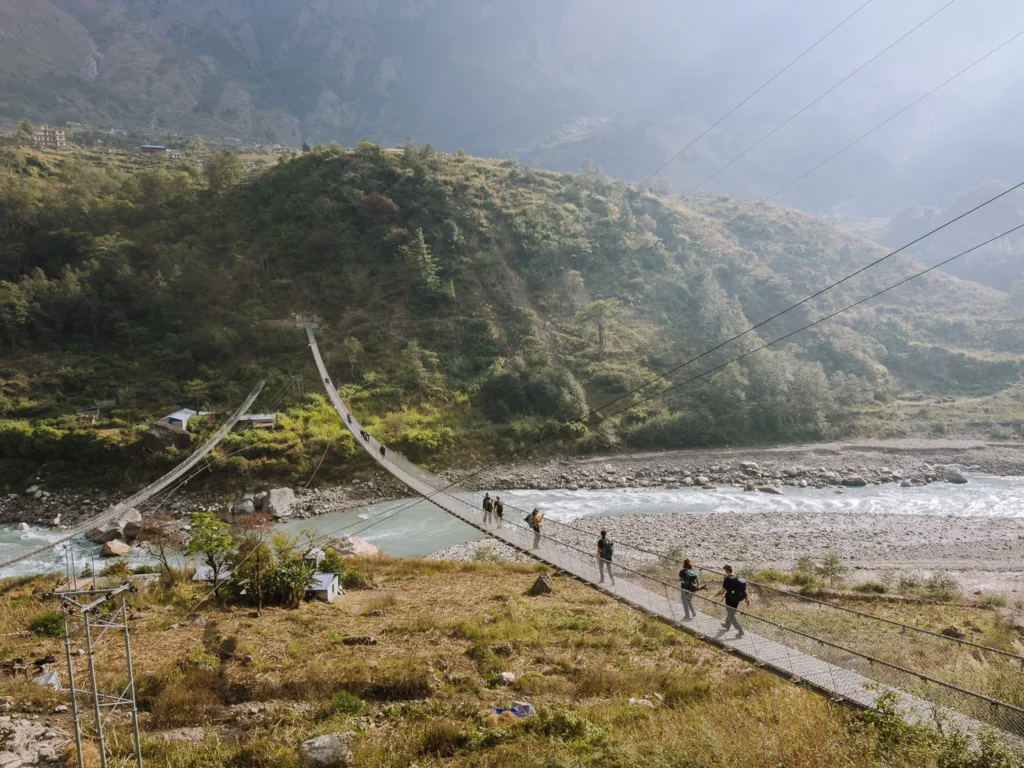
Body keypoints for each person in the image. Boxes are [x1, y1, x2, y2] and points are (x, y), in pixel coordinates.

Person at [715, 564, 750, 638]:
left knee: (731, 615)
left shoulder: (727, 579)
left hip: (730, 600)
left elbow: (722, 591)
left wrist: (715, 595)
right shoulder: (737, 577)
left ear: (726, 571)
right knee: (731, 612)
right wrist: (747, 599)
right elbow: (745, 589)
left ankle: (740, 631)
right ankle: (727, 625)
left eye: (725, 570)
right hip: (736, 599)